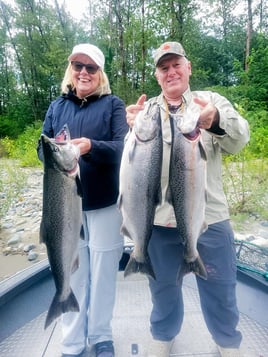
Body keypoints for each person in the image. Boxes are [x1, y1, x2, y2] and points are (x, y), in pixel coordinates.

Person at [125, 42, 250, 357]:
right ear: (157, 75)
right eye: (164, 68)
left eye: (176, 65)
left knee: (221, 287)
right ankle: (163, 334)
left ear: (188, 67)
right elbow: (130, 170)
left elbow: (240, 140)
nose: (171, 72)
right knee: (163, 287)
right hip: (159, 219)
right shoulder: (147, 111)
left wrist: (215, 119)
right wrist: (131, 128)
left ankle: (227, 342)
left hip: (210, 216)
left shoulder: (209, 101)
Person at [38, 43, 128, 357]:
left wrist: (91, 147)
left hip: (105, 204)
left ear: (100, 73)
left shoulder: (113, 105)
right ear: (71, 70)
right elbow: (42, 149)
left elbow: (122, 149)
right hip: (63, 209)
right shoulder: (56, 107)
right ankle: (72, 342)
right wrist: (56, 151)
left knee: (103, 274)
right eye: (78, 65)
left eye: (91, 67)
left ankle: (101, 336)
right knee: (73, 273)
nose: (84, 72)